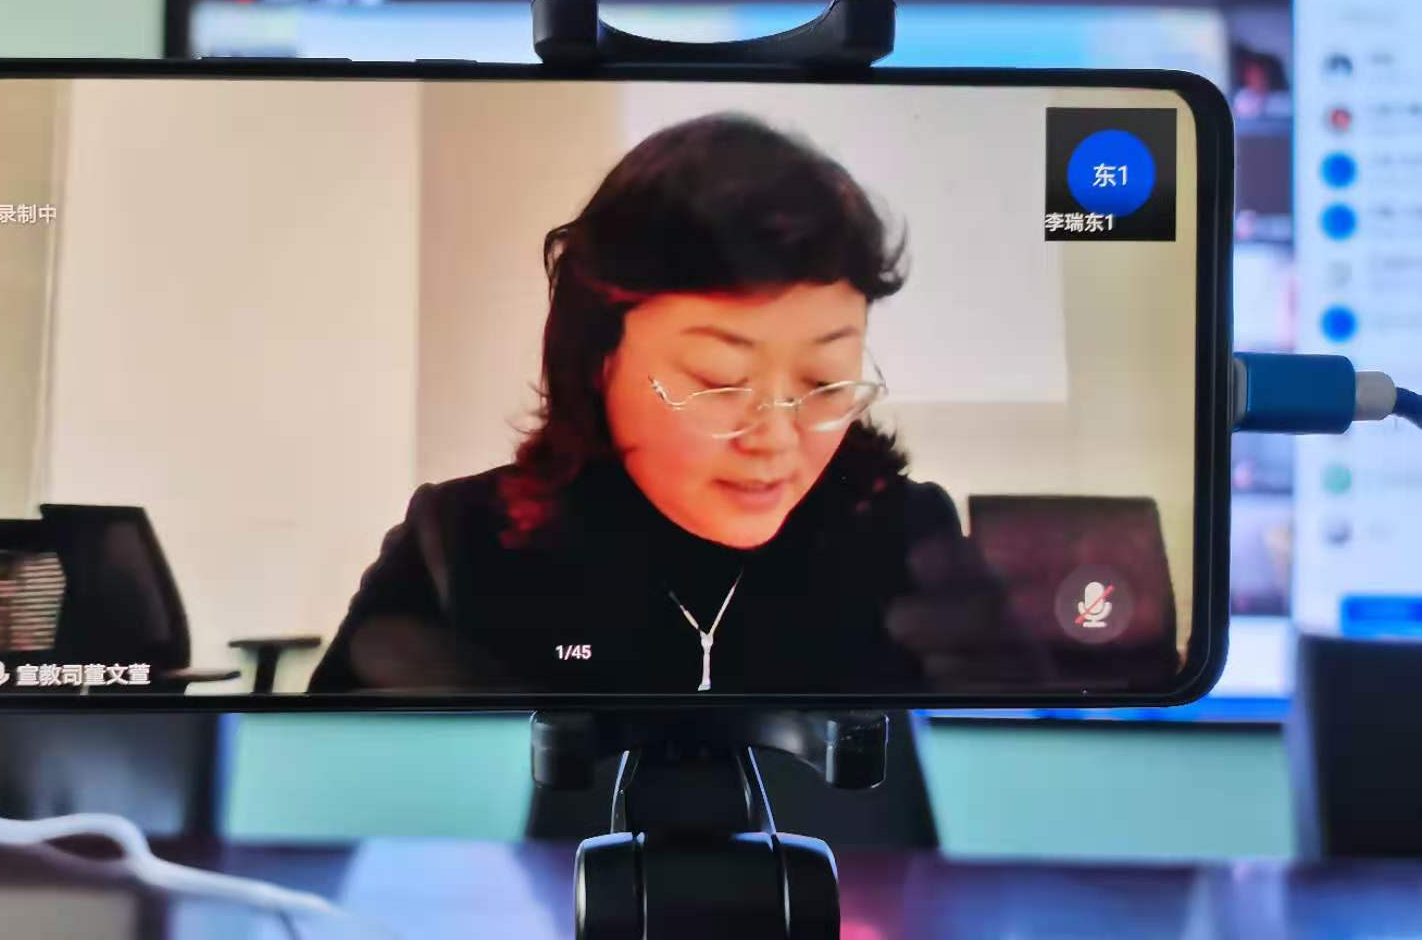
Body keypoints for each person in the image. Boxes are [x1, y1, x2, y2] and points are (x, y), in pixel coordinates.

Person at [311, 114, 1038, 695]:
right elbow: (327, 789)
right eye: (720, 380)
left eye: (823, 382)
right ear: (598, 360)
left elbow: (1021, 782)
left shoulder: (908, 540)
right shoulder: (462, 546)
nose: (776, 438)